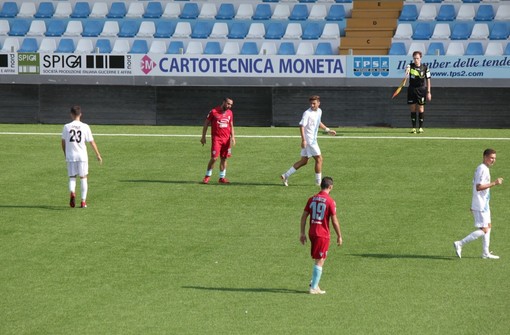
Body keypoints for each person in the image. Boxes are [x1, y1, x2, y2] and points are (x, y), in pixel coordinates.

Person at [454, 149, 504, 259]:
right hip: (481, 204)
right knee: (484, 229)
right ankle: (460, 243)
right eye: (491, 158)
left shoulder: (482, 168)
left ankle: (485, 253)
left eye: (494, 158)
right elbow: (478, 187)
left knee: (488, 226)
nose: (493, 160)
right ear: (485, 157)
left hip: (483, 203)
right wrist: (494, 183)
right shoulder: (482, 169)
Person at [280, 95, 336, 187]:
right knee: (319, 159)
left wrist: (328, 130)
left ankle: (285, 175)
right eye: (311, 103)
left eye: (314, 103)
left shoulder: (319, 111)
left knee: (304, 161)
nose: (312, 105)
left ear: (319, 103)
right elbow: (302, 126)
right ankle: (318, 183)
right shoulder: (307, 113)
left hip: (312, 140)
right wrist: (303, 140)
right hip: (310, 141)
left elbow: (319, 122)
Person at [300, 177, 342, 294]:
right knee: (320, 260)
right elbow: (334, 221)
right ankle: (313, 287)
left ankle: (315, 283)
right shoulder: (330, 201)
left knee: (320, 258)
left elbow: (304, 217)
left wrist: (302, 233)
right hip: (322, 234)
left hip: (312, 232)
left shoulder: (312, 199)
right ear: (330, 187)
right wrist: (339, 235)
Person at [61, 106, 102, 208]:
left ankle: (72, 192)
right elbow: (91, 142)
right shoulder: (85, 126)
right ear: (80, 114)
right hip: (82, 156)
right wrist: (98, 154)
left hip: (71, 156)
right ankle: (83, 202)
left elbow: (63, 142)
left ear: (71, 114)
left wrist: (66, 153)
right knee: (83, 177)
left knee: (72, 177)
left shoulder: (66, 126)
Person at [200, 97, 235, 184]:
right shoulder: (214, 111)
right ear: (223, 102)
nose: (229, 106)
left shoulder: (230, 113)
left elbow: (231, 125)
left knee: (224, 158)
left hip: (226, 140)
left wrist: (233, 137)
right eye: (228, 104)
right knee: (214, 158)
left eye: (231, 105)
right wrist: (203, 136)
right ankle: (207, 176)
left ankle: (222, 177)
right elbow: (206, 123)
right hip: (217, 139)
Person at [405, 51, 431, 134]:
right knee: (412, 108)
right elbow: (407, 67)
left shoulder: (425, 67)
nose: (416, 60)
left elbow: (428, 80)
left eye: (417, 58)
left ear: (421, 58)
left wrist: (428, 92)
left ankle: (420, 127)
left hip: (421, 90)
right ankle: (413, 128)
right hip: (412, 89)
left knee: (420, 108)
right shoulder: (411, 66)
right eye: (415, 58)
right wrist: (407, 68)